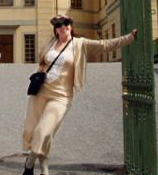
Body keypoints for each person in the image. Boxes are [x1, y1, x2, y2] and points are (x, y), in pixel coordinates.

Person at [22, 14, 137, 175]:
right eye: (59, 25)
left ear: (71, 25)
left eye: (67, 23)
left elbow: (105, 45)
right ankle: (45, 171)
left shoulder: (80, 43)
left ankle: (29, 163)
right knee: (35, 131)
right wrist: (35, 79)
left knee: (44, 130)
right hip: (40, 93)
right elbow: (42, 64)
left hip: (61, 96)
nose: (63, 26)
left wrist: (129, 38)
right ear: (55, 29)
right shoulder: (50, 42)